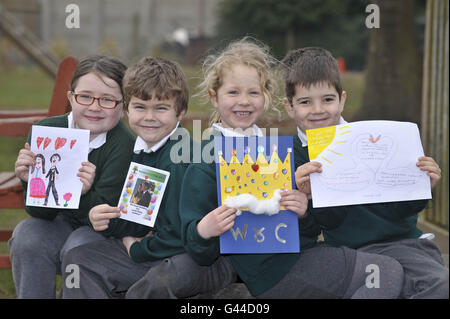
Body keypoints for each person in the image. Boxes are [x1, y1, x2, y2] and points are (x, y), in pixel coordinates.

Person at [179, 37, 404, 299]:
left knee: (385, 273)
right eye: (233, 92)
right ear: (214, 98)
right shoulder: (206, 158)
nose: (244, 101)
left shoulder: (274, 150)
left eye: (253, 92)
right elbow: (197, 248)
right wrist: (204, 230)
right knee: (384, 273)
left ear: (266, 96)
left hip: (300, 257)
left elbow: (303, 230)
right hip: (274, 272)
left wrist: (302, 208)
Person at [61, 56, 235, 299]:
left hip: (195, 257)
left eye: (161, 108)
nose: (149, 117)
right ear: (126, 109)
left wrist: (137, 249)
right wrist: (104, 219)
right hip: (157, 249)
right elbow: (139, 213)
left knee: (159, 280)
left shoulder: (181, 158)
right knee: (79, 259)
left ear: (181, 112)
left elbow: (181, 235)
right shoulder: (139, 151)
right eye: (140, 107)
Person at [284, 47, 448, 298]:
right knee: (383, 285)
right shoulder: (292, 158)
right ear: (289, 107)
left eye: (327, 99)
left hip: (403, 243)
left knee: (440, 285)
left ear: (342, 100)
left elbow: (400, 211)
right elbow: (322, 224)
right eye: (305, 102)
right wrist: (304, 194)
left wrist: (423, 187)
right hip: (348, 255)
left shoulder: (376, 138)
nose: (318, 110)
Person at [10, 54, 135, 298]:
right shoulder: (46, 131)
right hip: (56, 224)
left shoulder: (124, 145)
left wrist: (83, 194)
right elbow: (39, 213)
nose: (95, 107)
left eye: (108, 100)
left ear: (122, 106)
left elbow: (104, 220)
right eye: (85, 96)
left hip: (101, 233)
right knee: (27, 235)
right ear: (71, 98)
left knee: (78, 247)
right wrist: (29, 180)